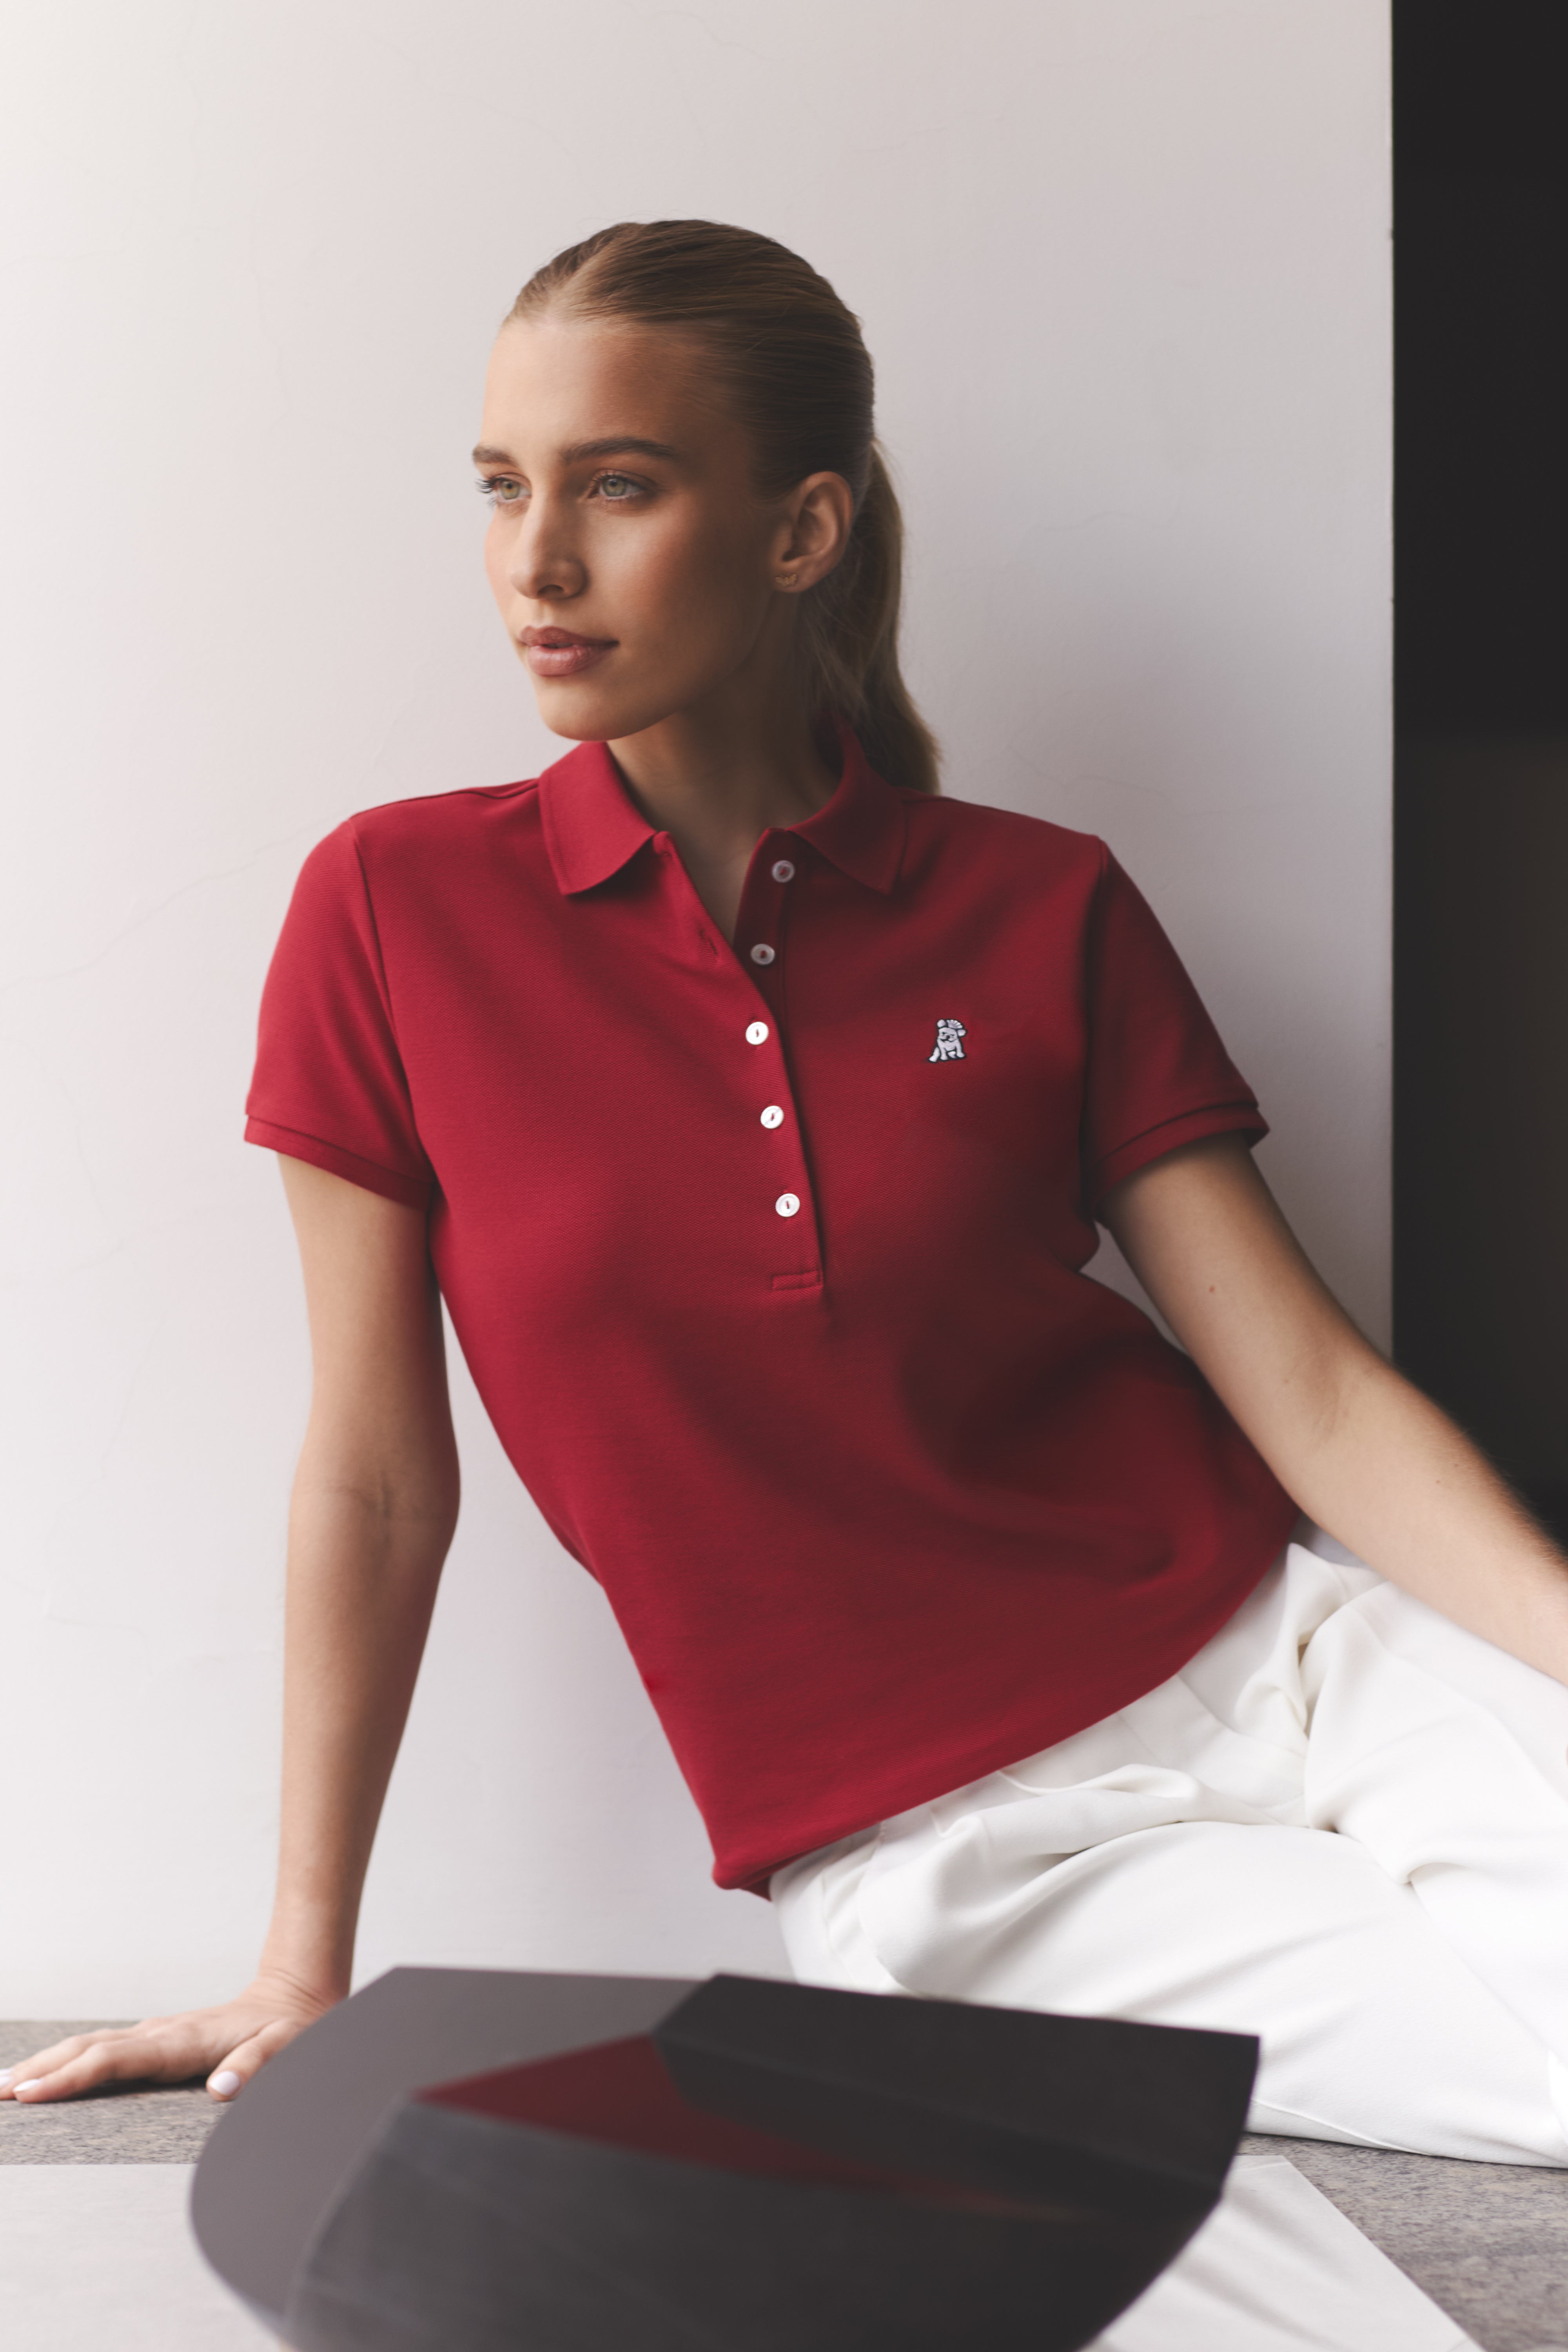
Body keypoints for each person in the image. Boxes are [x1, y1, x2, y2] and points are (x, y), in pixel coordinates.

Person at [5, 222, 1566, 2165]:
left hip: (1298, 1648)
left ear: (802, 528)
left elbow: (1312, 1396)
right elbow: (379, 1476)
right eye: (502, 487)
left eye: (620, 486)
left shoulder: (1040, 899)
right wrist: (297, 1960)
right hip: (953, 1860)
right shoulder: (395, 911)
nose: (535, 560)